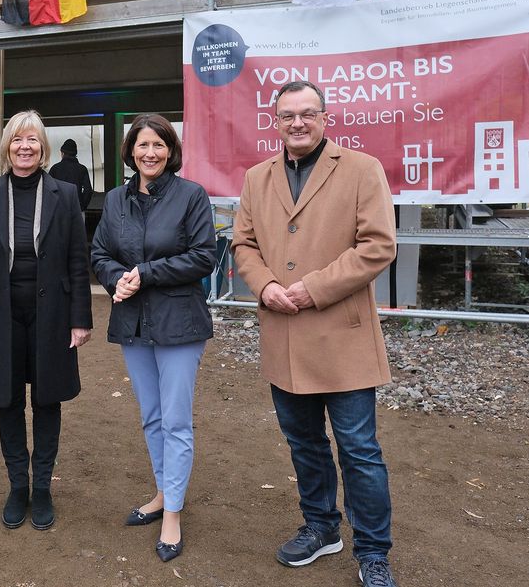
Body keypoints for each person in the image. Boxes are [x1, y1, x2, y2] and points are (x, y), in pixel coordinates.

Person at [232, 80, 399, 587]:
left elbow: (377, 245)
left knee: (358, 450)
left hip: (341, 334)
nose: (298, 123)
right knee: (304, 443)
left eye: (308, 113)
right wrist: (264, 287)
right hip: (283, 334)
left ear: (325, 117)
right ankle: (322, 526)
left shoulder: (361, 169)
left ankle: (372, 552)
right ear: (275, 122)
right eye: (288, 116)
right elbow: (244, 243)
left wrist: (311, 289)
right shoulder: (257, 177)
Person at [91, 113, 216, 563]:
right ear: (130, 151)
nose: (150, 153)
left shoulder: (191, 196)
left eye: (159, 145)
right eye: (142, 145)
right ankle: (163, 492)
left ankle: (173, 515)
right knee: (151, 416)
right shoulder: (115, 200)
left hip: (179, 324)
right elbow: (100, 252)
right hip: (134, 324)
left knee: (176, 421)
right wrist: (115, 280)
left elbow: (204, 257)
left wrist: (143, 273)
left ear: (171, 150)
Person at [0, 110, 92, 531]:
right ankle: (18, 485)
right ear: (7, 146)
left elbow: (77, 260)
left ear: (43, 147)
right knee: (8, 397)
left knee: (46, 398)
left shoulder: (65, 194)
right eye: (17, 139)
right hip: (0, 314)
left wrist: (80, 318)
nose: (25, 147)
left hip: (52, 313)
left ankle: (42, 489)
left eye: (32, 139)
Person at [49, 138, 93, 214]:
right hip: (77, 209)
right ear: (75, 154)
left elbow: (48, 189)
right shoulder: (82, 169)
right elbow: (88, 190)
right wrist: (82, 206)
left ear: (62, 153)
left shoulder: (55, 169)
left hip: (59, 210)